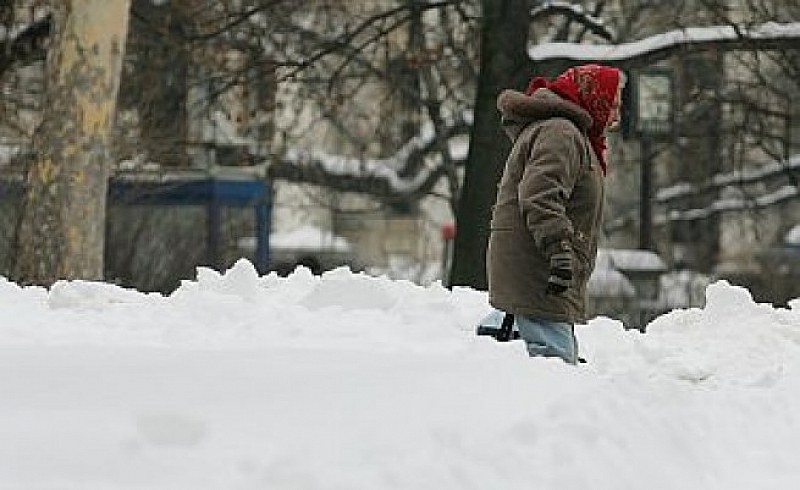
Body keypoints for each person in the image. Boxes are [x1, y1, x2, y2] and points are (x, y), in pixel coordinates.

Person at [484, 64, 625, 364]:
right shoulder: (560, 133)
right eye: (611, 105)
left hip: (542, 275)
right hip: (541, 272)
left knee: (546, 367)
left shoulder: (570, 134)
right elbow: (540, 194)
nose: (616, 117)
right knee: (553, 373)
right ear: (591, 98)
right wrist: (559, 248)